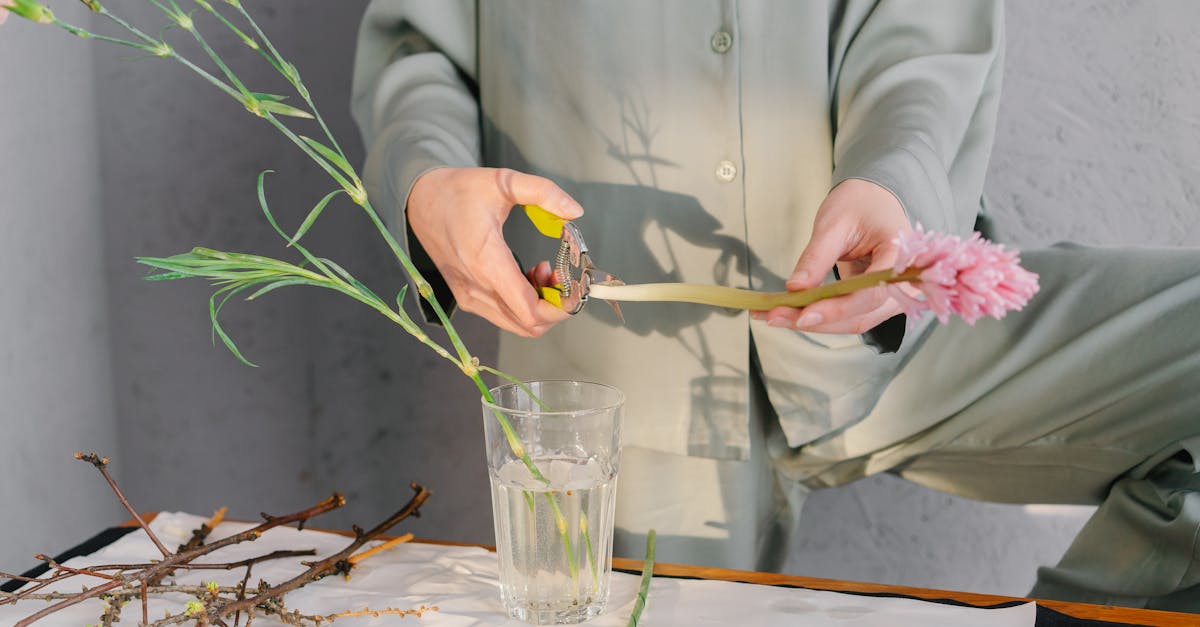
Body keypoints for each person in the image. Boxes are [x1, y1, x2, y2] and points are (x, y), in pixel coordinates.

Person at [351, 0, 1200, 611]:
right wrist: (426, 182)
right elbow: (418, 46)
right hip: (626, 376)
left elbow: (924, 29)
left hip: (884, 313)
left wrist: (895, 181)